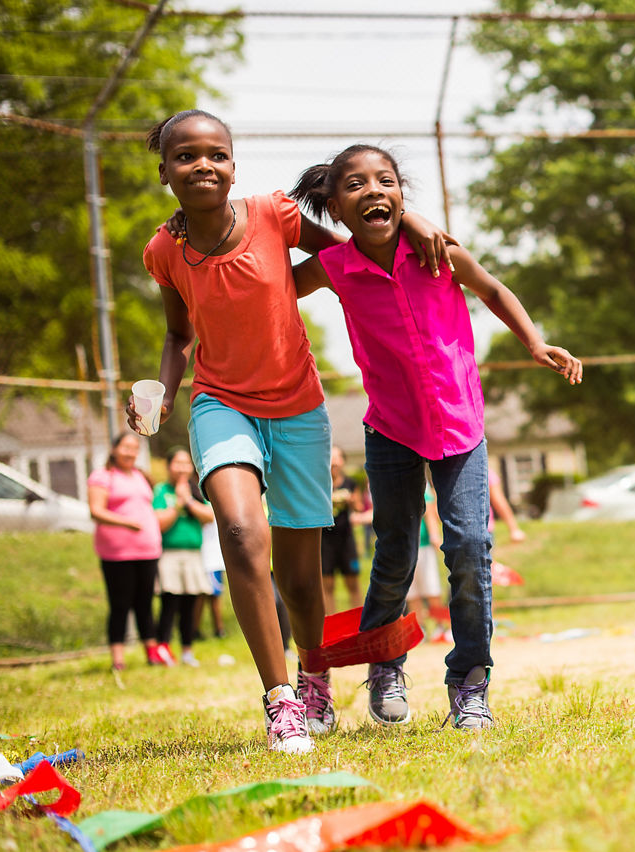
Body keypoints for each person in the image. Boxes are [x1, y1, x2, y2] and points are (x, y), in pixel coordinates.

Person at [131, 109, 453, 753]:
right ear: (164, 172)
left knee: (301, 580)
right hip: (220, 404)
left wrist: (409, 221)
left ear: (232, 163)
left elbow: (347, 250)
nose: (203, 166)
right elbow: (176, 333)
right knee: (243, 531)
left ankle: (313, 676)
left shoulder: (274, 215)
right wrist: (164, 389)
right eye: (186, 157)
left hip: (299, 409)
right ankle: (280, 701)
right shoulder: (165, 251)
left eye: (216, 154)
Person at [290, 143, 582, 729]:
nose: (374, 191)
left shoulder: (437, 252)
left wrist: (534, 342)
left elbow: (493, 289)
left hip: (459, 426)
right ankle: (385, 663)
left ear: (402, 195)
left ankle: (470, 681)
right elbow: (267, 278)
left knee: (470, 549)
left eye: (386, 181)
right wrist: (206, 229)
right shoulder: (335, 267)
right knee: (394, 553)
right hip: (391, 430)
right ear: (334, 208)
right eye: (355, 186)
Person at [87, 433, 164, 672]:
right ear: (114, 448)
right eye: (125, 447)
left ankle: (152, 654)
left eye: (134, 448)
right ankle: (118, 660)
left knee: (145, 603)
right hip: (118, 553)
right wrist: (126, 523)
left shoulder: (141, 476)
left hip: (148, 550)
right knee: (120, 605)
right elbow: (95, 511)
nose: (130, 452)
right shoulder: (103, 476)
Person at [152, 448, 215, 667]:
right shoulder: (161, 490)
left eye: (186, 463)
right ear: (168, 466)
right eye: (177, 463)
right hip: (169, 555)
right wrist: (178, 505)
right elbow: (158, 522)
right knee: (169, 603)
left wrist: (188, 501)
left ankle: (187, 650)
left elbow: (209, 517)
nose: (181, 468)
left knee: (190, 605)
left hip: (194, 555)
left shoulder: (196, 490)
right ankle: (163, 648)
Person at [320, 446, 365, 615]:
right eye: (331, 457)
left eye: (337, 457)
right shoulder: (321, 485)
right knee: (327, 584)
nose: (334, 461)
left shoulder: (350, 484)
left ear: (343, 461)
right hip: (325, 540)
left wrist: (351, 501)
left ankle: (357, 623)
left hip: (346, 539)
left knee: (352, 582)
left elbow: (359, 507)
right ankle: (331, 624)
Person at [406, 484, 449, 639]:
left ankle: (440, 627)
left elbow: (429, 513)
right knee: (412, 593)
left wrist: (435, 536)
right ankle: (419, 629)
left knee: (432, 590)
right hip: (405, 546)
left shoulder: (422, 485)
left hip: (424, 545)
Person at [194, 513, 227, 641]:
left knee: (213, 595)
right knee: (206, 596)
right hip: (209, 558)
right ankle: (214, 629)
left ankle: (218, 629)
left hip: (213, 559)